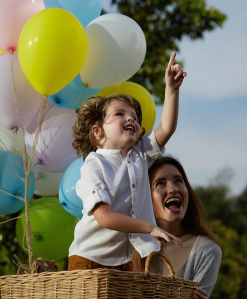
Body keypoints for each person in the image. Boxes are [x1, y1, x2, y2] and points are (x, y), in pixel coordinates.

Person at [68, 53, 187, 271]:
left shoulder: (140, 154)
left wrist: (171, 88)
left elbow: (167, 127)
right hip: (89, 259)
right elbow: (104, 217)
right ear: (98, 132)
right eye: (120, 114)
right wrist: (150, 228)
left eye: (134, 116)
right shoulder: (94, 164)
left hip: (125, 260)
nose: (131, 118)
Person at [134, 156, 222, 299]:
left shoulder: (207, 251)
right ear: (146, 198)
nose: (173, 189)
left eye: (178, 181)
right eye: (160, 183)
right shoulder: (131, 244)